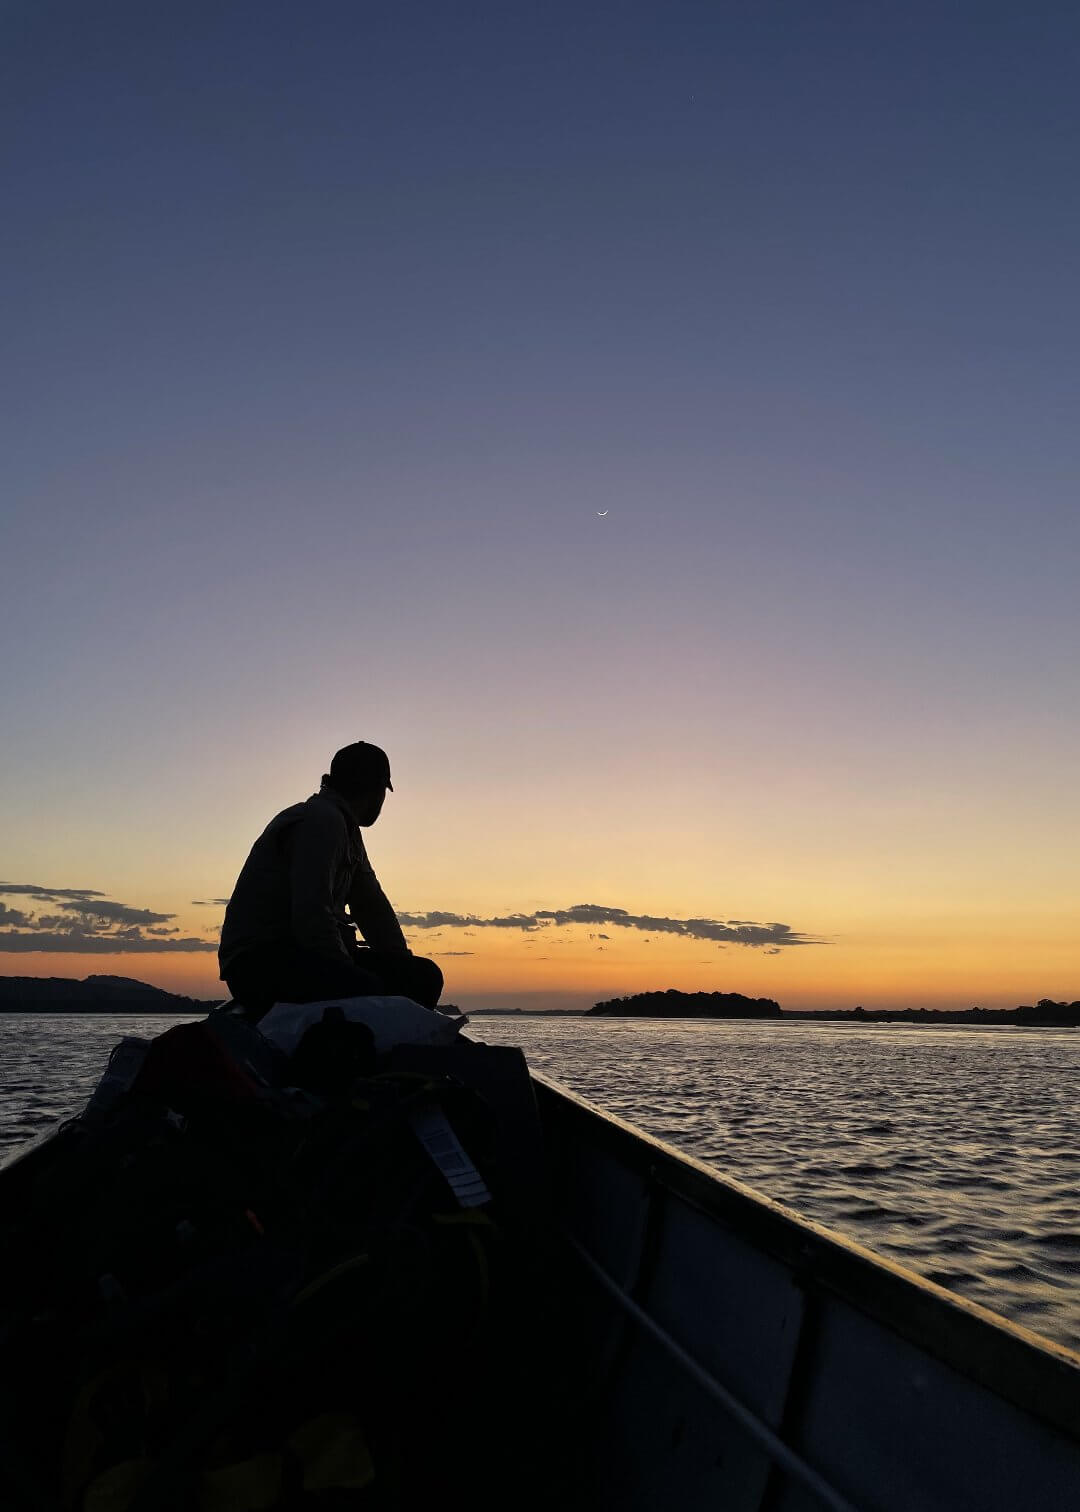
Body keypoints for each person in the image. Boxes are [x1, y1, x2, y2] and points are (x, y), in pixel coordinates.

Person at [218, 742, 443, 1019]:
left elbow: (373, 909)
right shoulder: (322, 821)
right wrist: (346, 970)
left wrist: (400, 963)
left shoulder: (347, 832)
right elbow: (311, 913)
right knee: (369, 989)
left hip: (304, 954)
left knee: (423, 976)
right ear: (375, 790)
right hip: (260, 963)